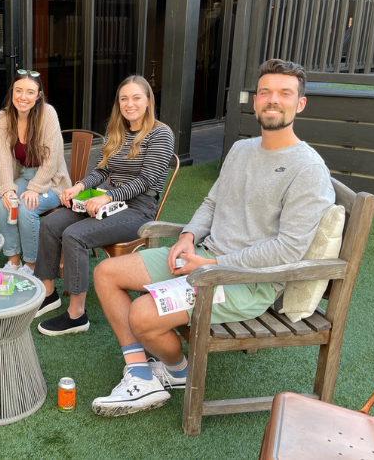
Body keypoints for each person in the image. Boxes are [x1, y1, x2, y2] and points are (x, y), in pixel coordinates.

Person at [90, 59, 334, 417]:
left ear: (299, 104)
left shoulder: (308, 168)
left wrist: (211, 264)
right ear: (255, 100)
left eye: (285, 93)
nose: (272, 100)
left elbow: (288, 249)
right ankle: (142, 373)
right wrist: (188, 237)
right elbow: (212, 202)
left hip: (245, 281)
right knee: (106, 273)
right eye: (265, 92)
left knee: (143, 314)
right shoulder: (241, 150)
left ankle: (175, 370)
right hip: (204, 255)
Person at [34, 75, 175, 336]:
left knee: (74, 235)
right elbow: (102, 170)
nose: (129, 103)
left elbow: (147, 180)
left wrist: (108, 197)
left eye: (136, 98)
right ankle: (48, 292)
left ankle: (77, 314)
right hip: (108, 199)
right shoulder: (117, 131)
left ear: (148, 101)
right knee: (51, 224)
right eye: (124, 98)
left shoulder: (160, 134)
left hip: (139, 209)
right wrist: (79, 186)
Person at [0, 70, 71, 275]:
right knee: (4, 205)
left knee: (27, 208)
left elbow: (52, 158)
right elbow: (3, 157)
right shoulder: (4, 117)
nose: (23, 97)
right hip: (24, 175)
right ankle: (14, 260)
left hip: (52, 181)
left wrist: (35, 189)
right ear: (12, 92)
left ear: (38, 95)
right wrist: (7, 189)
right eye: (18, 90)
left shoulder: (48, 114)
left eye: (30, 92)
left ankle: (32, 265)